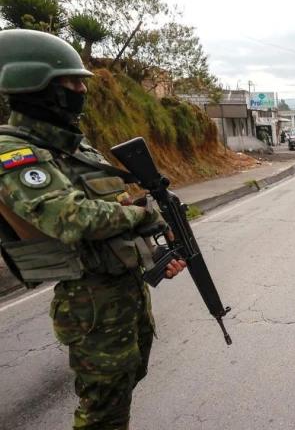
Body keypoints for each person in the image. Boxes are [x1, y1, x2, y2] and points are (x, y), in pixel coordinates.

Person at [0, 29, 187, 429]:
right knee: (103, 408)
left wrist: (156, 254)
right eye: (70, 81)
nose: (81, 89)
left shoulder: (78, 148)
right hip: (91, 304)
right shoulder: (13, 151)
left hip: (125, 291)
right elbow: (71, 219)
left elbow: (111, 213)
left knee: (123, 388)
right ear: (32, 86)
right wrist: (142, 215)